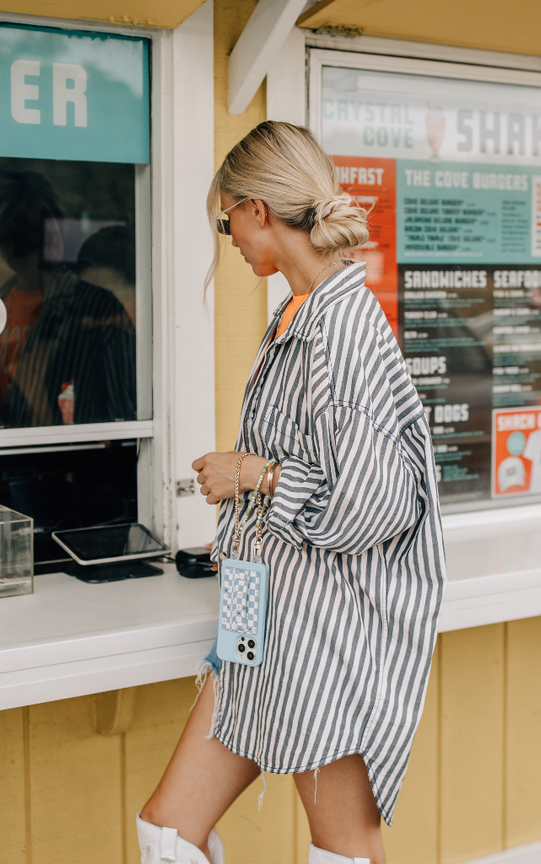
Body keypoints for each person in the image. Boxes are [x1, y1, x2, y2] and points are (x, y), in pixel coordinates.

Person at [137, 122, 445, 864]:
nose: (229, 239)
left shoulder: (343, 328)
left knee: (342, 852)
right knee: (166, 835)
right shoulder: (298, 314)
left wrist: (256, 475)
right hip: (259, 622)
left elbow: (374, 503)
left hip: (326, 638)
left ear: (258, 210)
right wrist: (244, 526)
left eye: (226, 219)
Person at [0, 170, 136, 428]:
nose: (14, 239)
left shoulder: (95, 307)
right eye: (4, 231)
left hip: (70, 461)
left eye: (23, 228)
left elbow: (123, 419)